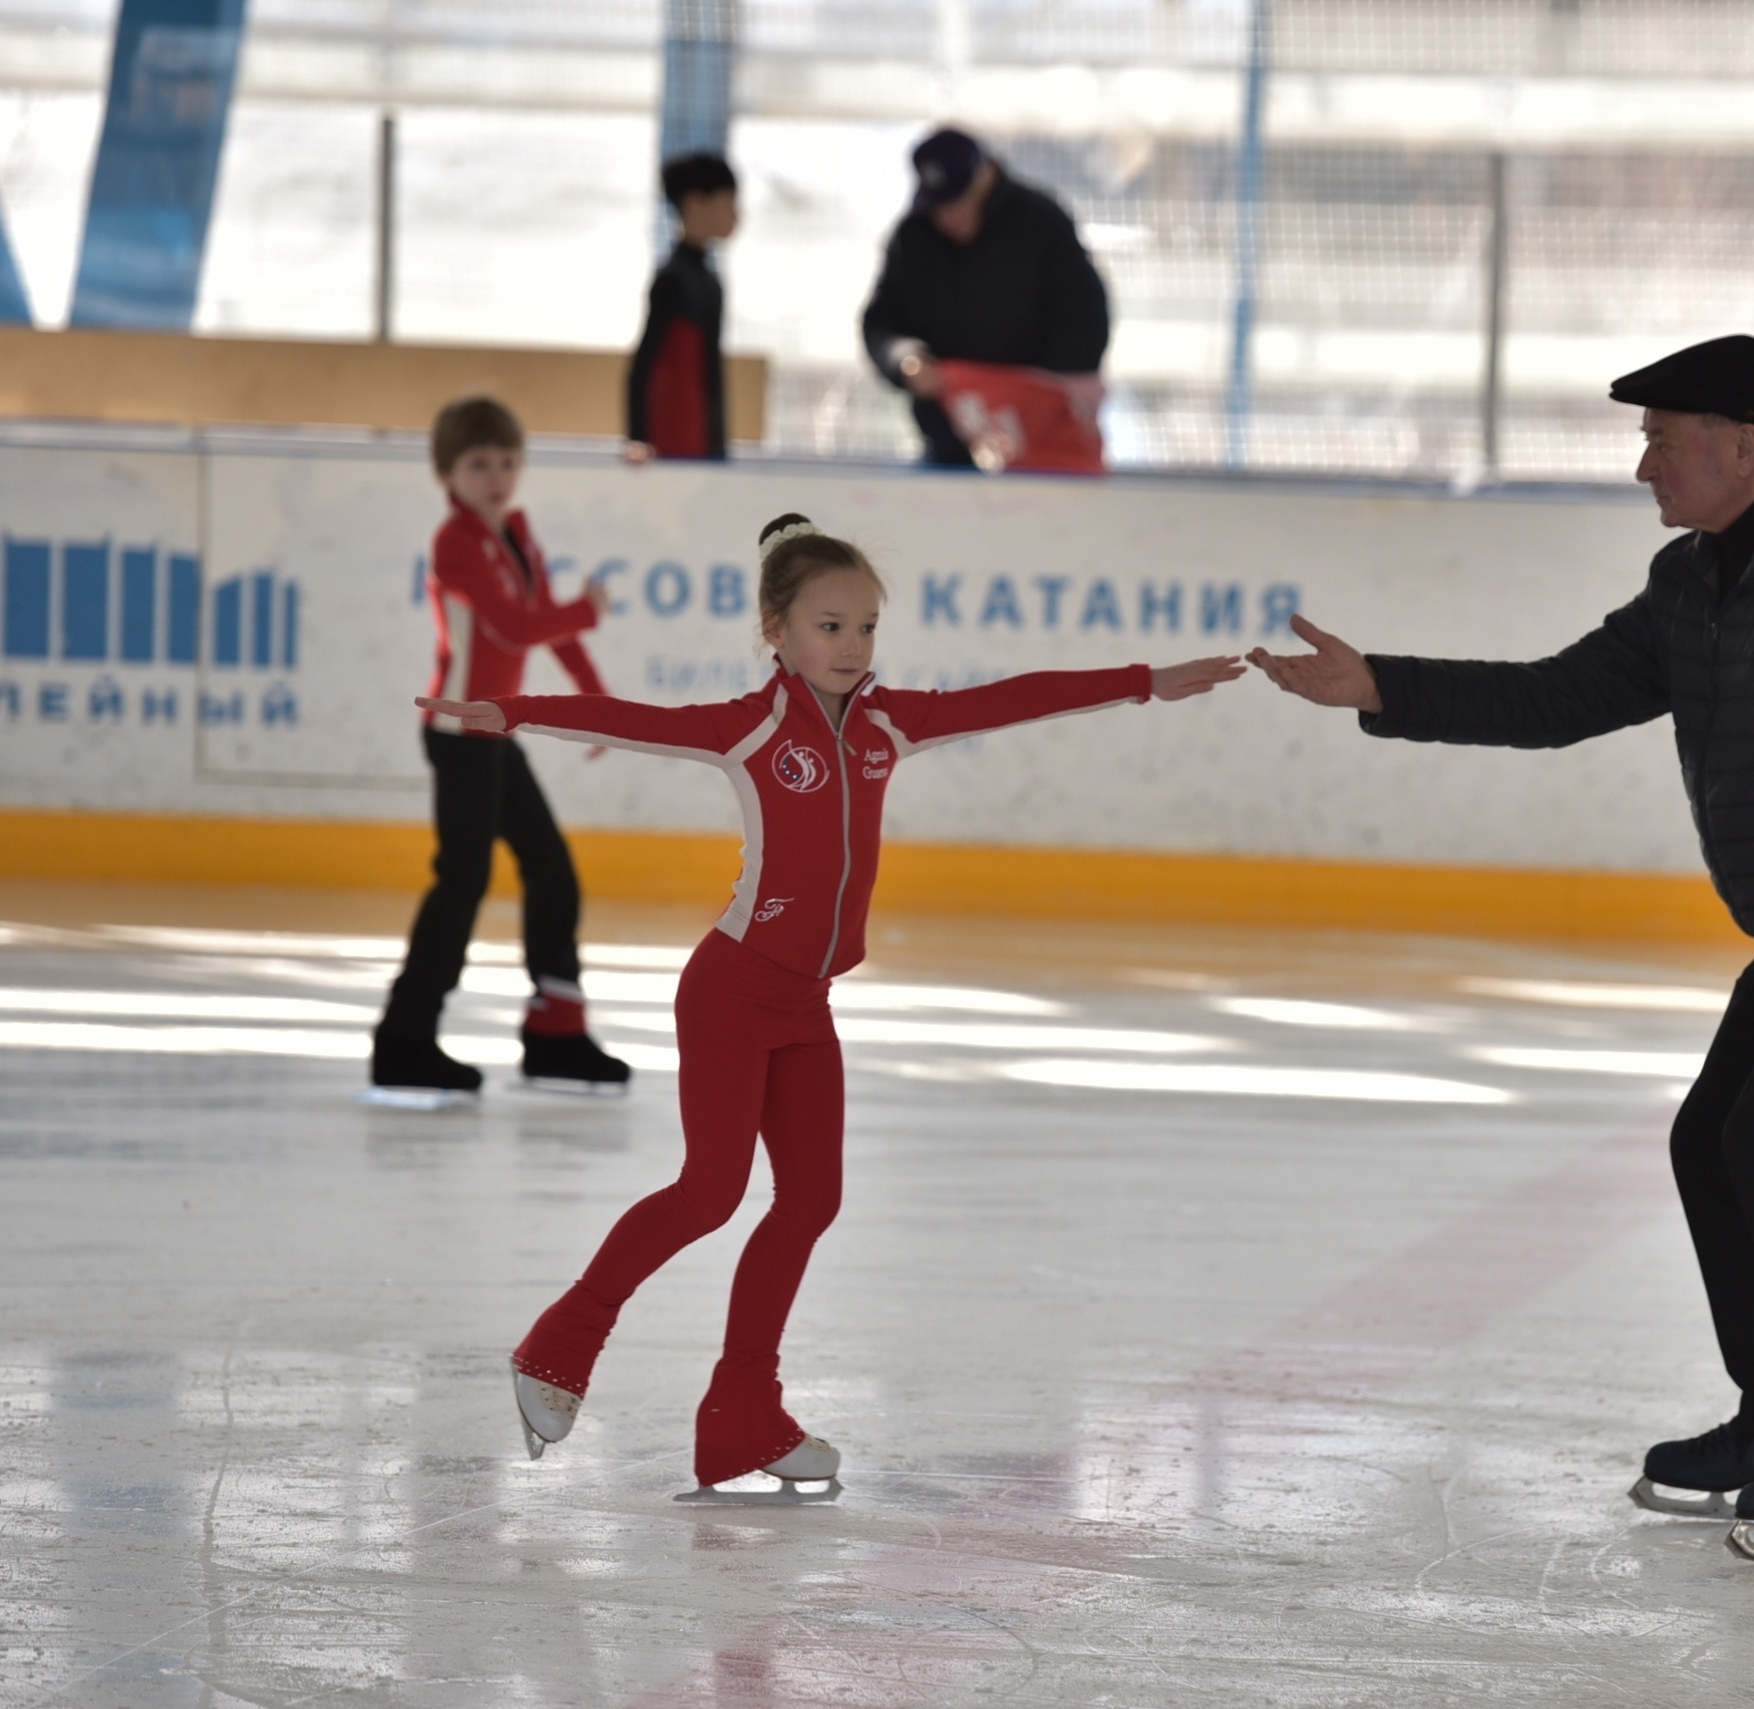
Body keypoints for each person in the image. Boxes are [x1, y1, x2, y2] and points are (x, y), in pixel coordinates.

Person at [1248, 335, 1754, 1564]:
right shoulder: (1694, 581)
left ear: (1737, 441)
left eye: (1658, 438)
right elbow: (1562, 697)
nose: (1641, 465)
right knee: (1715, 1145)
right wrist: (1381, 686)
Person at [419, 512, 1245, 1502]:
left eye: (863, 627)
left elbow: (1014, 699)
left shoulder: (892, 724)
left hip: (805, 1005)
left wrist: (1145, 680)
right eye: (828, 626)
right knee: (711, 1189)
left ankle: (741, 1412)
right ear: (775, 630)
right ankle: (560, 1342)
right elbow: (631, 720)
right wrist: (505, 712)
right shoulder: (751, 726)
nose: (850, 647)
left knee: (811, 1199)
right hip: (730, 990)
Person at [370, 396, 633, 1103]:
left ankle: (556, 1033)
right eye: (480, 463)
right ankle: (403, 1038)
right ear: (448, 472)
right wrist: (586, 608)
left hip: (493, 732)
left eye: (508, 462)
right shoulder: (456, 542)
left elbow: (544, 626)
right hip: (460, 735)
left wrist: (594, 701)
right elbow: (517, 627)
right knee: (463, 881)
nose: (497, 476)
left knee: (551, 869)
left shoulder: (516, 532)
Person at [860, 128, 1110, 468]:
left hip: (1042, 443)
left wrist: (1032, 393)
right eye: (940, 206)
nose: (950, 216)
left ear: (985, 176)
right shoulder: (913, 238)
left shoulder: (1040, 222)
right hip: (951, 440)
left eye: (960, 199)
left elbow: (1085, 315)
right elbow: (880, 321)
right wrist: (905, 360)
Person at [625, 150, 739, 464]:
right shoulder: (673, 279)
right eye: (727, 203)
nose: (736, 216)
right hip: (672, 443)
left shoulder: (709, 279)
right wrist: (638, 438)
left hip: (701, 440)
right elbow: (643, 365)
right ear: (694, 203)